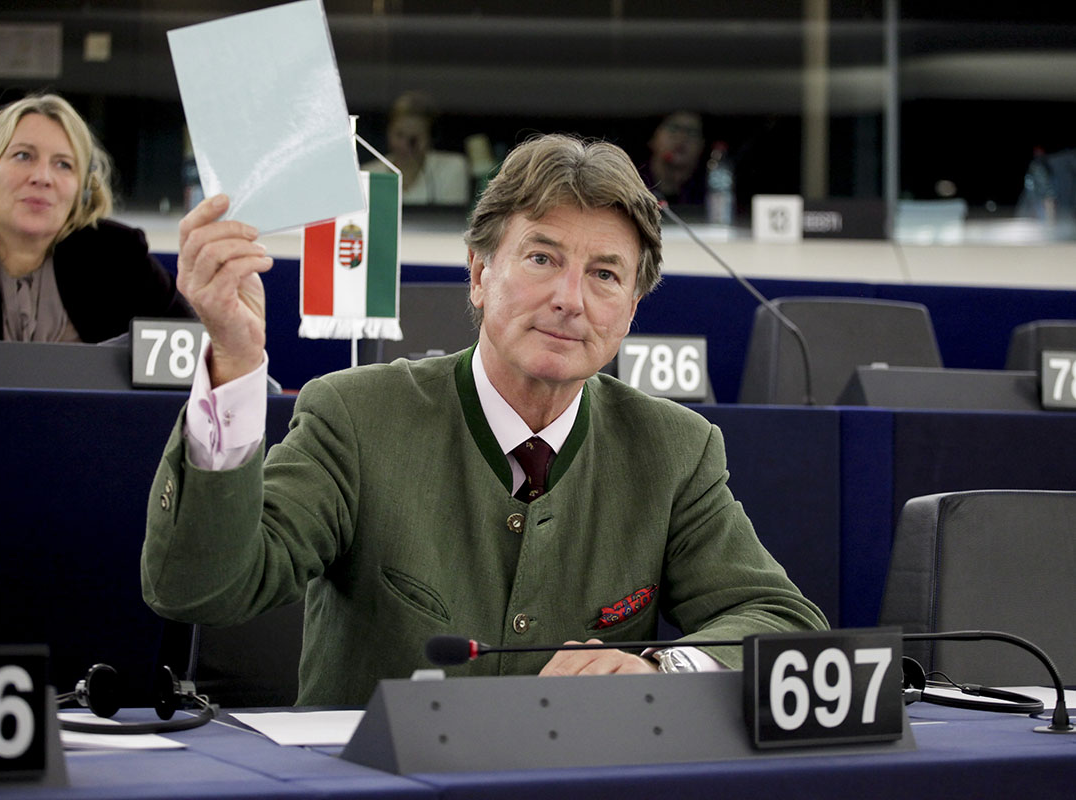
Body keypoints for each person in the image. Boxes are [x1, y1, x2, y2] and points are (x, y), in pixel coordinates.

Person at [141, 134, 826, 706]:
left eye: (605, 275)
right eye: (541, 258)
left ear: (632, 307)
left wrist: (658, 670)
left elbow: (784, 623)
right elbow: (201, 587)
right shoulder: (355, 416)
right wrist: (233, 360)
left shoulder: (674, 449)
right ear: (478, 271)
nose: (569, 300)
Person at [0, 93, 192, 342]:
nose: (42, 177)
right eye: (23, 156)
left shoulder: (119, 253)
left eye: (63, 164)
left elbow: (193, 348)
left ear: (83, 190)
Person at [363, 91, 471, 206]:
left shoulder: (453, 168)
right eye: (399, 135)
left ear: (431, 138)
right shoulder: (368, 174)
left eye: (414, 139)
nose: (405, 145)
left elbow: (451, 220)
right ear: (388, 132)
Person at [637, 111, 706, 206]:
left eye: (692, 132)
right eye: (673, 129)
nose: (682, 137)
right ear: (652, 138)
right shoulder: (632, 181)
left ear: (702, 145)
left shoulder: (711, 187)